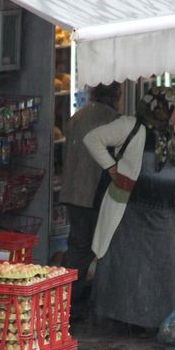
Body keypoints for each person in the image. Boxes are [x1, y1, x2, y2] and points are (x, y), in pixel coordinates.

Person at [83, 86, 175, 331]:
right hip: (129, 211)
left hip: (163, 212)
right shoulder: (130, 126)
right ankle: (123, 320)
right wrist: (111, 168)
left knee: (165, 268)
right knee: (127, 267)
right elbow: (92, 139)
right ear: (160, 109)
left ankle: (158, 322)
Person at [59, 82, 122, 317]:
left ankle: (66, 301)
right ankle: (88, 303)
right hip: (95, 195)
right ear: (117, 95)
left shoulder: (77, 117)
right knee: (100, 249)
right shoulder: (113, 120)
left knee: (77, 248)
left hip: (72, 192)